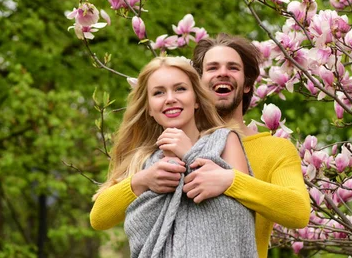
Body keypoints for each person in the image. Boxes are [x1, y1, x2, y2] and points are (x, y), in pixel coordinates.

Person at [91, 35, 310, 258]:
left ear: (247, 84)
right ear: (200, 84)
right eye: (212, 67)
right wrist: (141, 180)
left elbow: (298, 213)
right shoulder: (152, 155)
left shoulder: (274, 149)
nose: (222, 73)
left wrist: (231, 181)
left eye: (233, 68)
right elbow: (99, 216)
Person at [93, 56, 257, 258]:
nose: (170, 98)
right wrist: (143, 180)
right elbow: (99, 218)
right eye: (159, 92)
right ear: (149, 108)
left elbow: (242, 216)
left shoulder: (224, 141)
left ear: (196, 100)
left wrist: (190, 154)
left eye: (180, 89)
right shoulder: (142, 160)